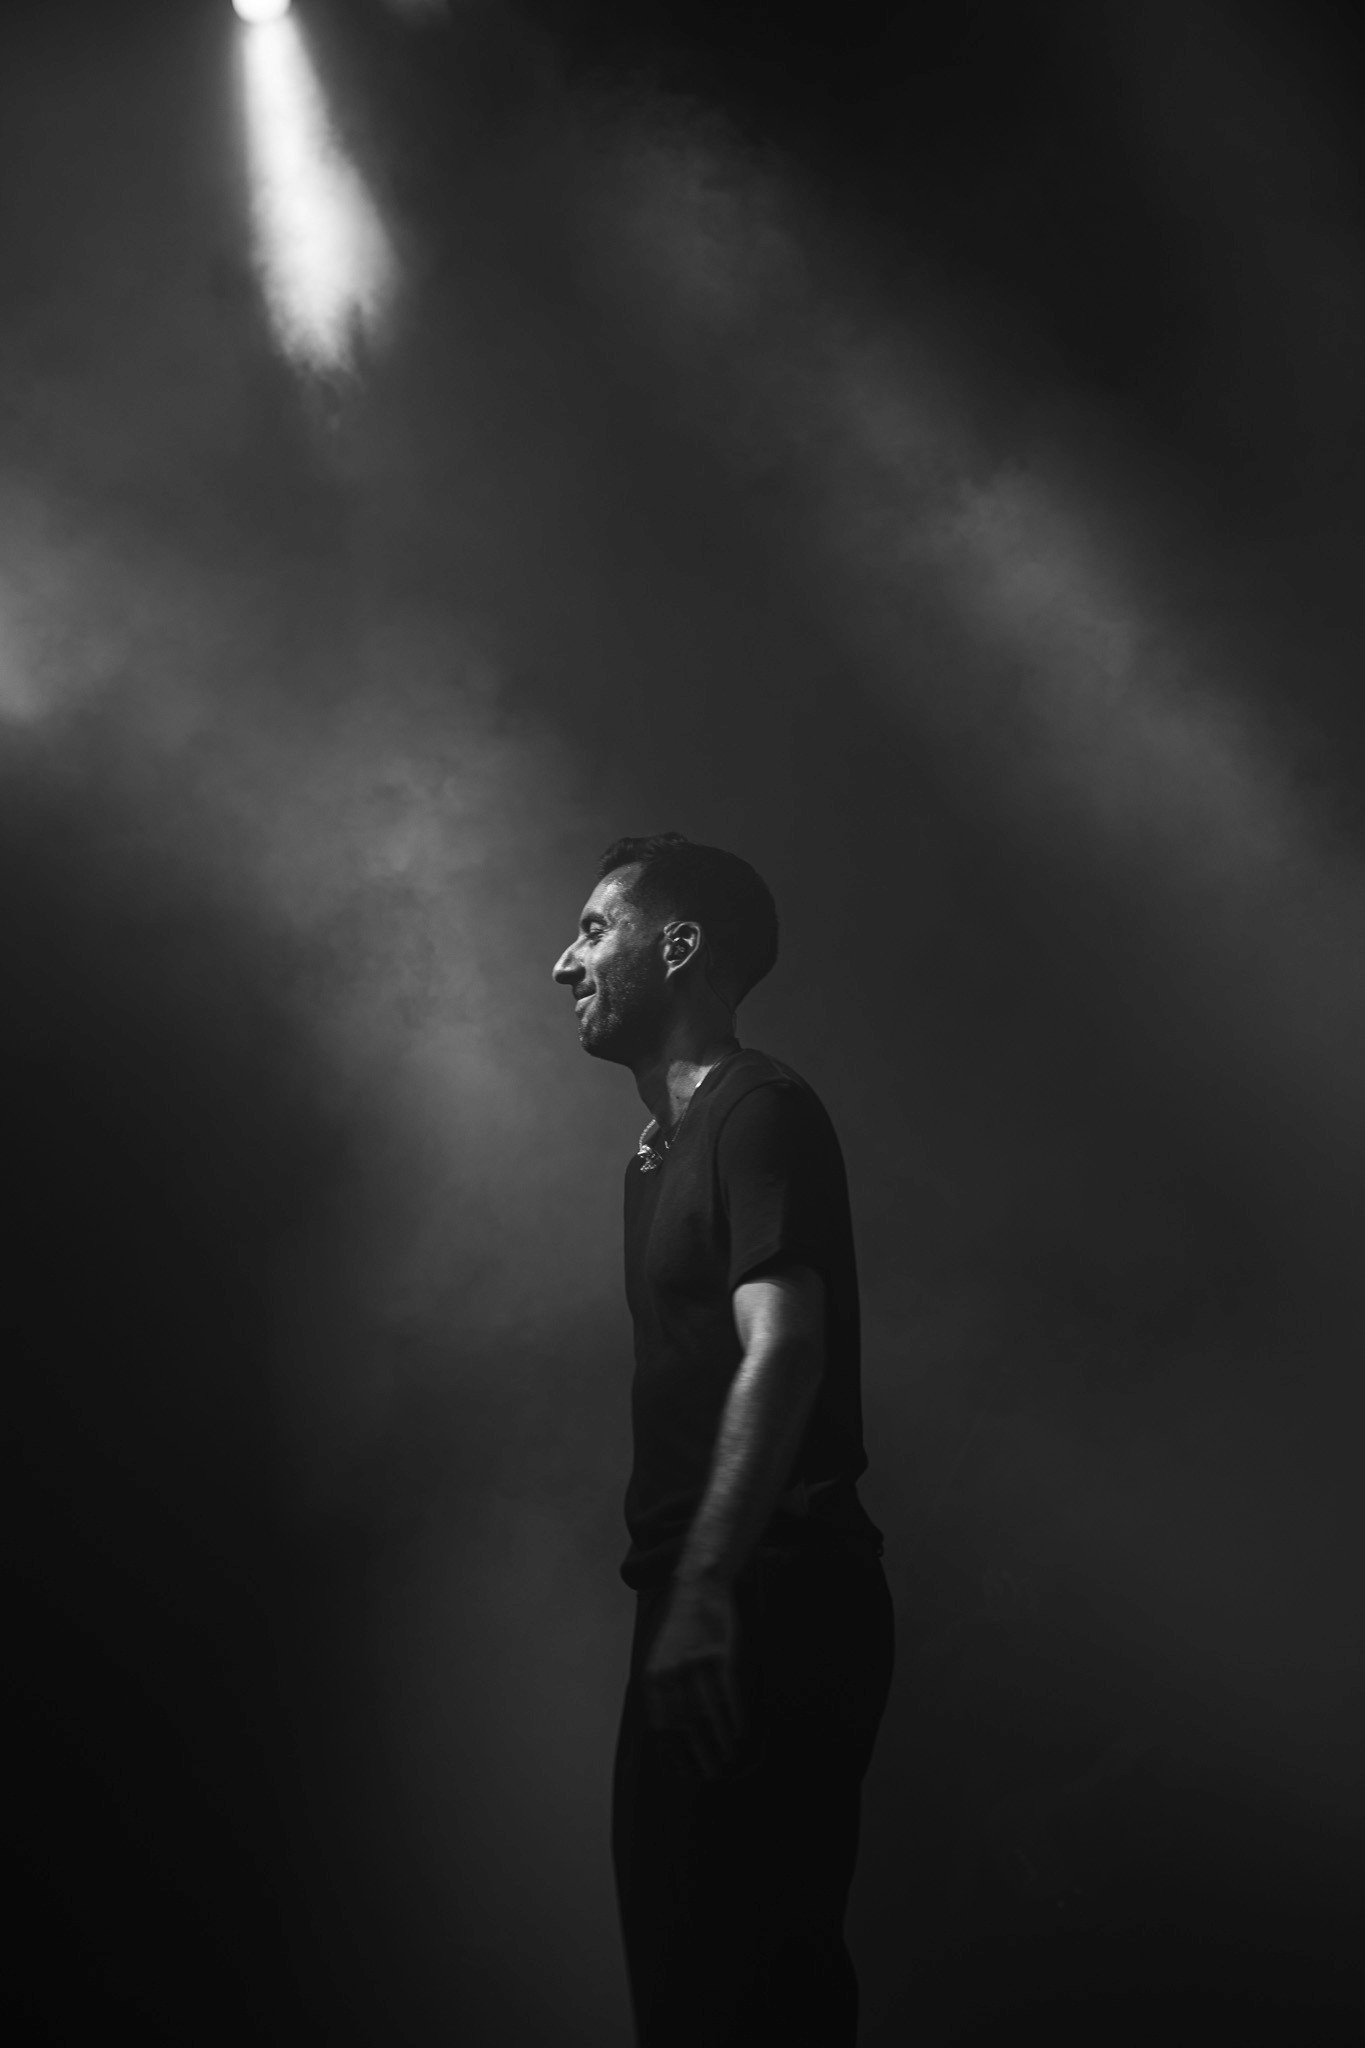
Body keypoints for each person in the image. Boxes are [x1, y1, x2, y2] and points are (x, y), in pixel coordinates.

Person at [552, 832, 894, 2047]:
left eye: (596, 929)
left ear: (681, 945)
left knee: (751, 1992)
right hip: (701, 1598)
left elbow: (785, 1347)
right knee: (689, 1993)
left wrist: (707, 1581)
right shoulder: (654, 1157)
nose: (564, 962)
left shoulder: (760, 1109)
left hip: (765, 1591)